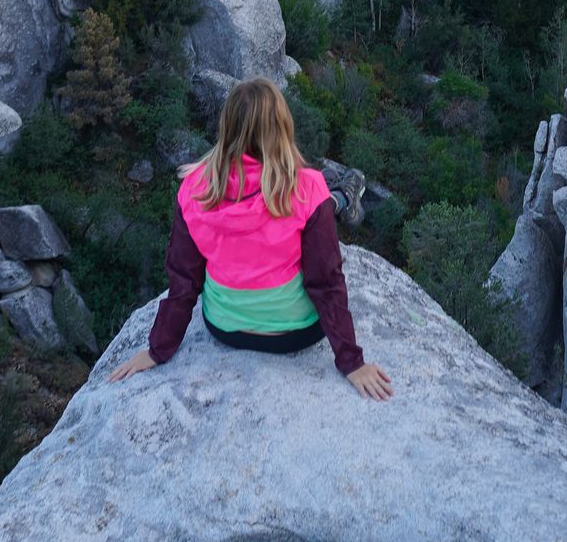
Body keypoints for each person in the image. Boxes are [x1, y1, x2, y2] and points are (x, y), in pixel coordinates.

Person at [108, 76, 393, 399]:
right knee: (318, 198)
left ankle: (340, 196)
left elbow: (183, 280)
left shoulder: (194, 188)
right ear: (282, 127)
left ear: (226, 127)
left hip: (226, 329)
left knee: (314, 198)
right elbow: (325, 282)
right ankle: (341, 197)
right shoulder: (305, 187)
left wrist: (158, 349)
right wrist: (352, 362)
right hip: (296, 333)